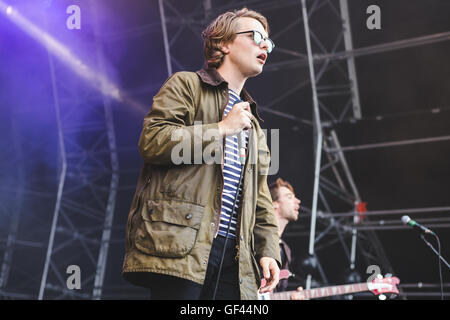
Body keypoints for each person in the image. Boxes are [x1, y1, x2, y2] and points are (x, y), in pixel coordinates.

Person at [122, 7, 281, 300]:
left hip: (236, 260)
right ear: (223, 43)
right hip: (181, 246)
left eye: (268, 42)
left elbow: (261, 198)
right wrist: (220, 128)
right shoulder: (186, 85)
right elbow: (153, 141)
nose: (264, 45)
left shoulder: (254, 125)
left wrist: (269, 251)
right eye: (256, 36)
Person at [269, 177, 305, 300]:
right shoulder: (255, 238)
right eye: (289, 197)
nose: (298, 201)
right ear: (274, 204)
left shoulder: (285, 249)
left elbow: (276, 293)